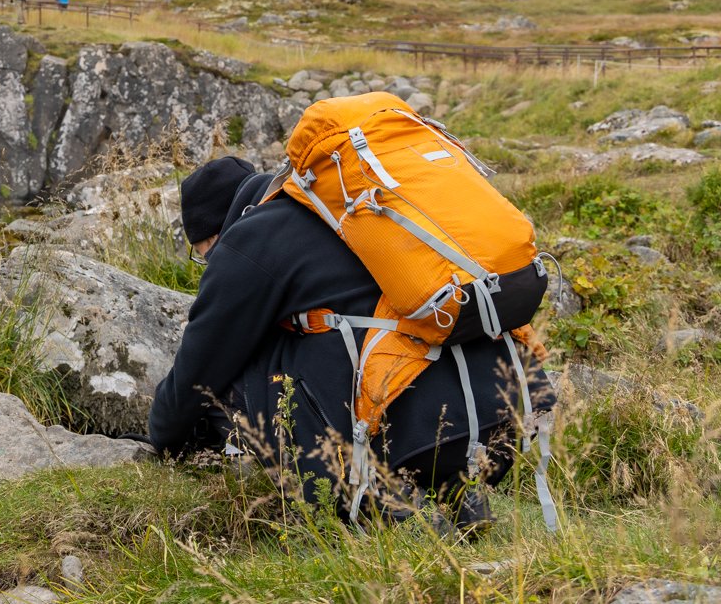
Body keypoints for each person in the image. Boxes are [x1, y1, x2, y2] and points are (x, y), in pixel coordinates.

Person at [148, 157, 552, 531]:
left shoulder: (250, 239)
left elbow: (197, 369)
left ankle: (383, 501)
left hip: (415, 434)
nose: (207, 262)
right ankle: (459, 492)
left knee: (251, 371)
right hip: (504, 410)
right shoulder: (346, 206)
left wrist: (162, 438)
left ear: (213, 234)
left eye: (202, 255)